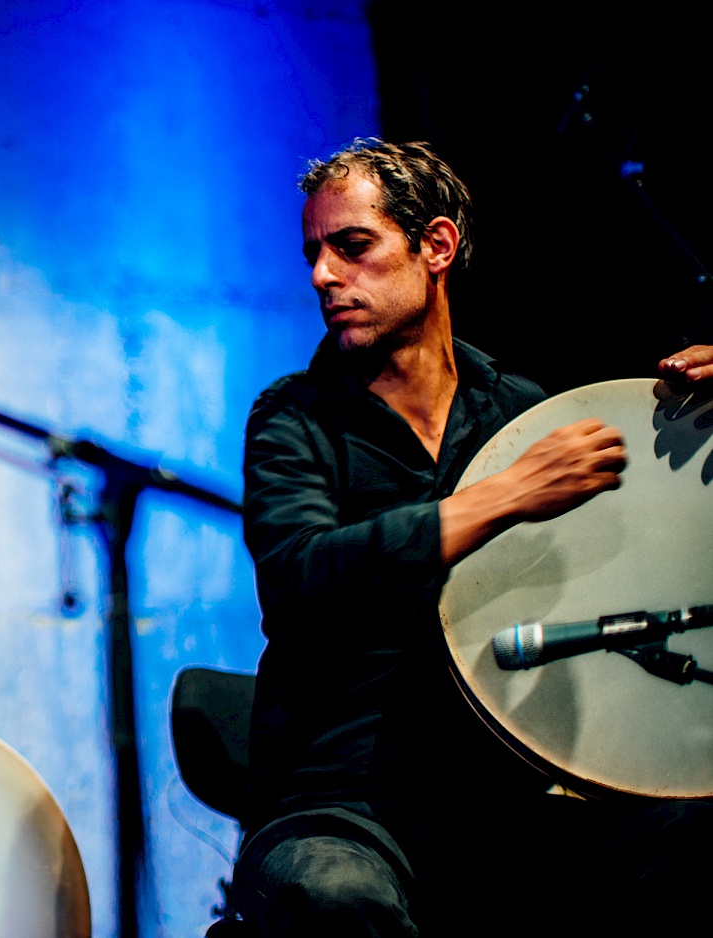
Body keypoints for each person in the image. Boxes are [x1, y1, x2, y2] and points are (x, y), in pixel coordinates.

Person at [230, 138, 710, 936]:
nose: (323, 276)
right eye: (314, 254)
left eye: (352, 247)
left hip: (505, 792)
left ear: (437, 246)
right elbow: (299, 577)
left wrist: (700, 424)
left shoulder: (518, 409)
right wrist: (505, 495)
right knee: (337, 896)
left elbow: (649, 551)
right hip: (341, 802)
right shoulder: (295, 418)